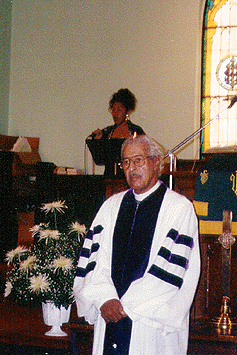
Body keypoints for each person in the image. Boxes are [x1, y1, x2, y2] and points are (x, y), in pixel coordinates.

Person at [74, 135, 201, 355]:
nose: (132, 168)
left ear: (156, 162)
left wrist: (124, 307)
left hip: (149, 321)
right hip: (110, 313)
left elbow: (171, 271)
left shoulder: (179, 208)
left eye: (139, 160)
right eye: (126, 162)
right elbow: (94, 261)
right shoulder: (111, 206)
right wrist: (105, 298)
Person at [90, 89, 145, 176]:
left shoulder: (136, 131)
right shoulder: (107, 132)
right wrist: (97, 141)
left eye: (119, 110)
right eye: (113, 110)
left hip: (130, 177)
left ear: (127, 111)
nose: (115, 113)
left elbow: (142, 157)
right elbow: (99, 159)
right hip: (109, 178)